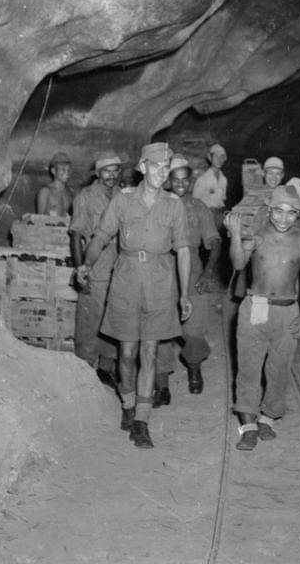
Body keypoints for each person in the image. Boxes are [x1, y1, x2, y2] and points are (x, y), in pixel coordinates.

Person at [76, 143, 191, 450]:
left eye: (166, 168)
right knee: (127, 353)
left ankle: (141, 419)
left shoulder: (174, 205)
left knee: (149, 352)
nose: (161, 173)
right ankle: (127, 404)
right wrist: (86, 264)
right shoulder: (123, 200)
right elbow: (101, 236)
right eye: (155, 166)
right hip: (126, 280)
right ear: (142, 167)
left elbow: (182, 249)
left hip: (159, 281)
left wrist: (184, 294)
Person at [224, 185, 300, 450]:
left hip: (287, 310)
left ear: (298, 214)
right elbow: (238, 263)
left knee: (280, 368)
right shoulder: (258, 234)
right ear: (269, 209)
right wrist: (235, 235)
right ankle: (248, 424)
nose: (283, 218)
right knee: (249, 366)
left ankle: (268, 416)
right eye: (278, 211)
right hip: (256, 306)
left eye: (291, 213)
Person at [155, 155, 221, 405]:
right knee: (159, 326)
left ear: (191, 181)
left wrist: (208, 271)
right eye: (176, 179)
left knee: (194, 327)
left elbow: (214, 241)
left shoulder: (199, 207)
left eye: (185, 179)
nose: (181, 184)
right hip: (163, 267)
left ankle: (194, 367)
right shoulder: (158, 204)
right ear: (168, 181)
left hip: (192, 267)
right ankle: (162, 384)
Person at [70, 151, 123, 386]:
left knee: (114, 322)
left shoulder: (123, 195)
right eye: (106, 171)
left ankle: (105, 370)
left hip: (120, 269)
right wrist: (81, 270)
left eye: (115, 171)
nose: (111, 175)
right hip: (96, 267)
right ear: (98, 173)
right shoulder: (86, 197)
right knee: (89, 323)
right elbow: (76, 235)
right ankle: (83, 373)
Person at [232, 155, 285, 298]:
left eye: (277, 174)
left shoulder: (285, 195)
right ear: (262, 173)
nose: (273, 178)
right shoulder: (253, 193)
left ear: (283, 175)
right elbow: (241, 215)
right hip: (256, 248)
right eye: (270, 173)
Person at [192, 143, 228, 231]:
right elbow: (194, 202)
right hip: (205, 218)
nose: (219, 160)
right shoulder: (203, 179)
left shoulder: (223, 179)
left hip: (218, 216)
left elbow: (222, 200)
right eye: (216, 156)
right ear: (210, 157)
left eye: (222, 157)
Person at [36, 151, 74, 216]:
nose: (67, 173)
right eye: (63, 169)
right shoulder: (45, 192)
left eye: (68, 170)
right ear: (53, 171)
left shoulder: (70, 192)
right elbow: (39, 218)